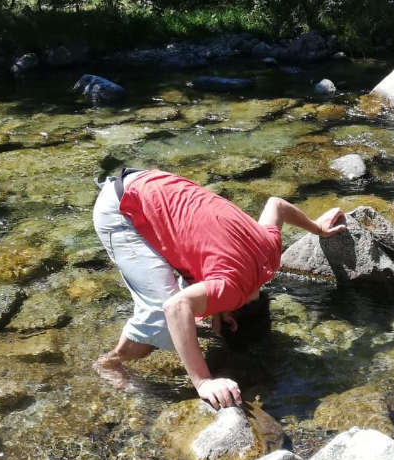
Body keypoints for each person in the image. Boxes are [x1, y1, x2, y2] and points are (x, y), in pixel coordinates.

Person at [92, 168, 347, 409]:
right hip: (121, 210)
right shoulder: (230, 287)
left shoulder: (270, 254)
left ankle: (194, 316)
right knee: (162, 319)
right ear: (232, 322)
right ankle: (110, 363)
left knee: (190, 308)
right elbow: (174, 306)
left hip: (152, 181)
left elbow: (276, 205)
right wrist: (203, 381)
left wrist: (317, 228)